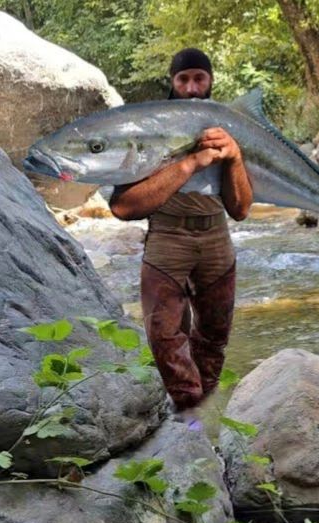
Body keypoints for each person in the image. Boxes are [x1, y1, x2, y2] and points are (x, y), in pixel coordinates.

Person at [109, 49, 254, 429]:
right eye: (183, 79)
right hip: (167, 235)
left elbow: (241, 209)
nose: (191, 88)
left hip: (216, 236)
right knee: (164, 336)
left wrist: (234, 157)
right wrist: (189, 162)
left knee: (214, 334)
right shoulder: (149, 130)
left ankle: (202, 411)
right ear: (171, 83)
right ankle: (188, 414)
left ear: (211, 81)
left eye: (198, 78)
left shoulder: (228, 129)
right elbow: (123, 206)